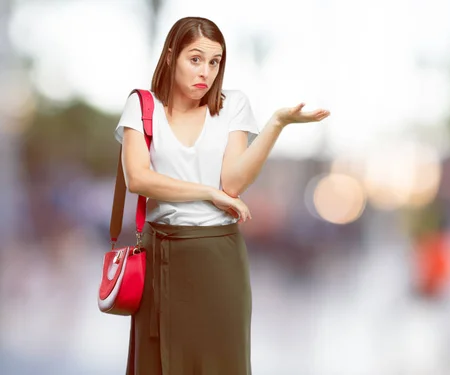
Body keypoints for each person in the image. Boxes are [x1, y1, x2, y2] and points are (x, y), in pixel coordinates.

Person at [115, 16, 329, 375]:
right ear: (171, 57)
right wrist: (208, 193)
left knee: (221, 363)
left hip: (218, 257)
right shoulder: (142, 105)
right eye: (195, 59)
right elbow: (138, 178)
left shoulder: (233, 105)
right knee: (158, 362)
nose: (206, 71)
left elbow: (233, 184)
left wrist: (276, 124)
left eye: (214, 62)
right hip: (160, 256)